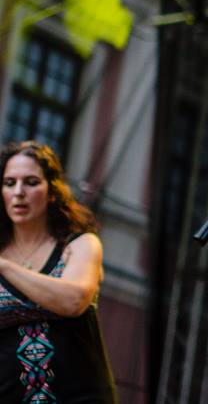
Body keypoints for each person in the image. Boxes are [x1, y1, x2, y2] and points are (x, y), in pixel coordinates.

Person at [0, 141, 117, 403]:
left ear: (52, 191)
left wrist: (5, 266)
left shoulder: (80, 245)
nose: (19, 192)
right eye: (9, 183)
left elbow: (72, 300)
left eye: (31, 182)